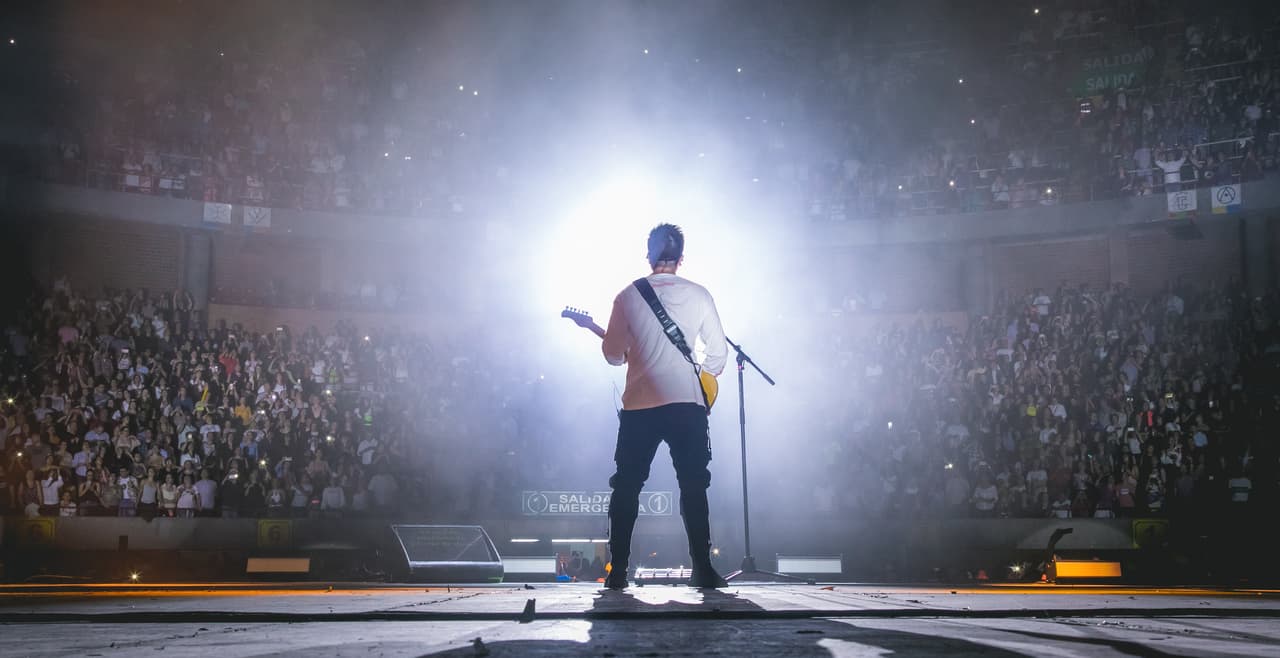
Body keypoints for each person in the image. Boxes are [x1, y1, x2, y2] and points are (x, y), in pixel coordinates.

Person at [599, 223, 728, 589]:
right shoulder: (700, 295)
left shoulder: (627, 296)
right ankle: (703, 569)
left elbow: (612, 355)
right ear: (681, 258)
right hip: (686, 405)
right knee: (693, 485)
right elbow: (718, 356)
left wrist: (635, 352)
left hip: (640, 406)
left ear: (648, 255)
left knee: (627, 486)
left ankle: (618, 572)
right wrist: (698, 372)